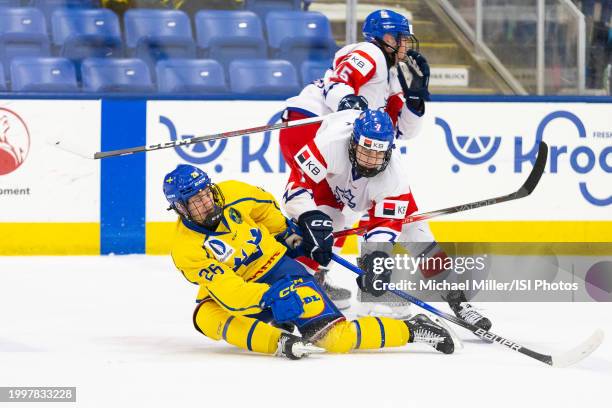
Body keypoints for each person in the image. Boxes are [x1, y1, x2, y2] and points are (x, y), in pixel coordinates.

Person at [164, 164, 455, 359]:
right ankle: (278, 341)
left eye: (206, 194)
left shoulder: (234, 194)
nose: (206, 203)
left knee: (334, 339)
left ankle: (413, 328)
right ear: (180, 208)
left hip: (282, 272)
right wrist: (269, 298)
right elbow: (231, 292)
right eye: (195, 201)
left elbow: (265, 208)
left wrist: (289, 236)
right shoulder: (186, 249)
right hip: (250, 291)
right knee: (205, 315)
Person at [282, 108, 493, 330]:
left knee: (420, 238)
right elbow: (295, 187)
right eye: (366, 151)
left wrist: (376, 261)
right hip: (331, 185)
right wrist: (308, 216)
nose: (371, 161)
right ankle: (290, 297)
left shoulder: (394, 178)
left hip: (376, 196)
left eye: (379, 154)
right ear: (353, 143)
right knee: (319, 235)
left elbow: (383, 226)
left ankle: (457, 299)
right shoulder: (330, 144)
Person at [279, 9, 431, 307]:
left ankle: (309, 274)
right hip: (312, 125)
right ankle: (302, 276)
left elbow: (403, 131)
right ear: (384, 38)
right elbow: (339, 80)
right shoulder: (370, 53)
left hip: (333, 135)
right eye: (399, 38)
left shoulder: (393, 76)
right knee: (330, 209)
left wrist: (415, 100)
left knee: (334, 211)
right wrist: (347, 100)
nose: (404, 45)